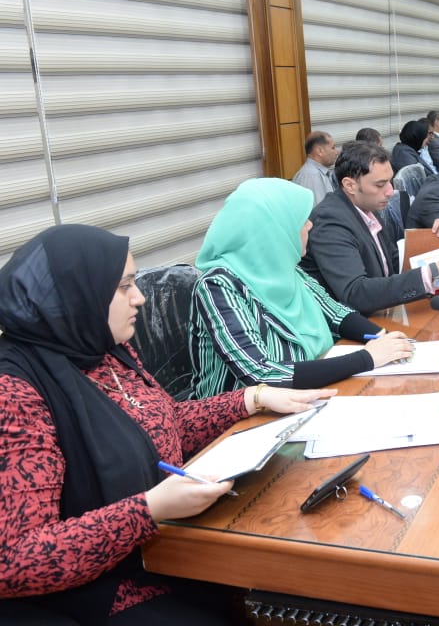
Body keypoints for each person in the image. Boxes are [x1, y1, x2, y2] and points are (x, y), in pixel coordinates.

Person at [0, 224, 334, 623]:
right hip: (103, 587)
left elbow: (164, 423)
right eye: (124, 287)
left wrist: (252, 398)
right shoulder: (15, 392)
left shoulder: (104, 350)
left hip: (166, 547)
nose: (140, 298)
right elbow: (16, 559)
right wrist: (149, 508)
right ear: (77, 295)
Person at [190, 178, 413, 399]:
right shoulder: (218, 286)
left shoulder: (287, 269)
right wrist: (368, 358)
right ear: (274, 230)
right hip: (246, 415)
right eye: (301, 220)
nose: (310, 225)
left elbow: (336, 314)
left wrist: (384, 338)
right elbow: (261, 373)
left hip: (306, 396)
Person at [301, 141, 439, 316]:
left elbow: (393, 262)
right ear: (350, 185)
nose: (390, 191)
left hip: (383, 312)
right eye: (380, 185)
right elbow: (356, 293)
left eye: (390, 181)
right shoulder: (330, 221)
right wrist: (434, 272)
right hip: (354, 326)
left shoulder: (366, 206)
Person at [291, 130, 338, 205]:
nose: (336, 152)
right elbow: (319, 210)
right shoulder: (312, 176)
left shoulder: (316, 173)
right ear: (320, 151)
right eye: (333, 148)